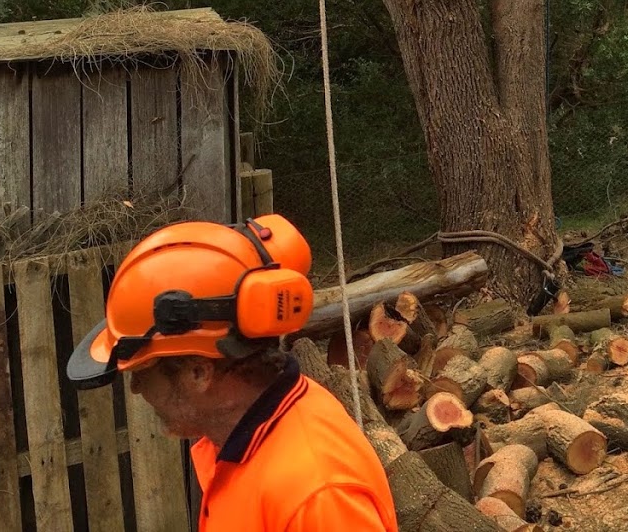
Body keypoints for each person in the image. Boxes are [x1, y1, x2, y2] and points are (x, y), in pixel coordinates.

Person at [68, 214, 398, 532]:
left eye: (141, 370)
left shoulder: (317, 494)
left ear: (198, 372)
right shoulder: (233, 436)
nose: (136, 388)